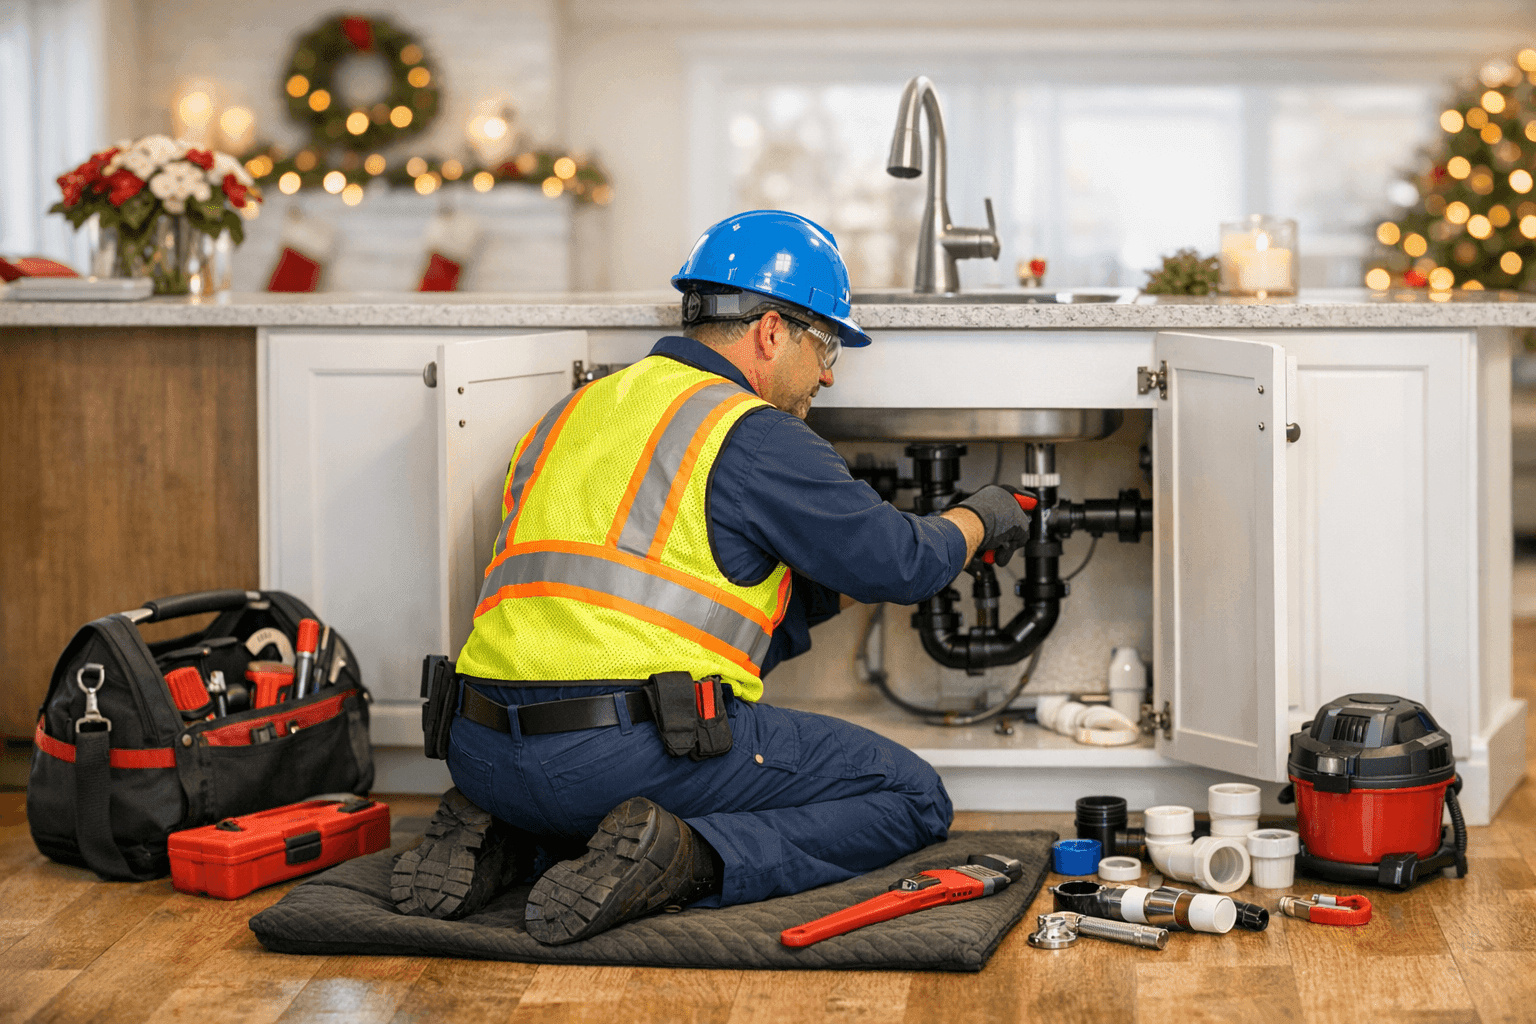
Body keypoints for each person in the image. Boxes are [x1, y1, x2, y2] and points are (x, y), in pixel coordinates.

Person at [391, 209, 1035, 944]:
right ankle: (688, 860)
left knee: (586, 774)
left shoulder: (574, 409)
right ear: (769, 332)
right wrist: (983, 514)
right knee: (908, 794)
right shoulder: (751, 430)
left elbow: (675, 582)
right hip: (616, 756)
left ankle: (514, 834)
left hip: (479, 749)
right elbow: (904, 562)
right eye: (824, 346)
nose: (827, 373)